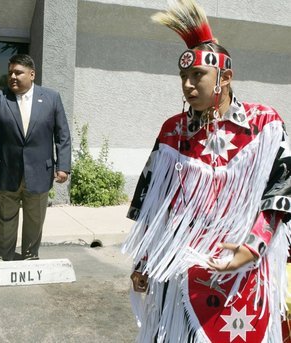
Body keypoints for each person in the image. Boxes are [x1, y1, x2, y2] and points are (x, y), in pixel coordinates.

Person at [121, 1, 291, 341]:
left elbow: (281, 193)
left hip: (243, 268)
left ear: (225, 76)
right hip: (180, 269)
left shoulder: (264, 125)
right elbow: (157, 204)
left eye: (197, 75)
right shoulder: (173, 131)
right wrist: (144, 260)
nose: (187, 84)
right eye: (183, 76)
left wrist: (252, 247)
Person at [0, 54, 71, 261]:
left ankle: (30, 256)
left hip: (39, 171)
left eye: (18, 72)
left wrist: (63, 166)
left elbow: (62, 134)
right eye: (10, 72)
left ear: (32, 74)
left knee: (34, 220)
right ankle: (4, 256)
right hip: (7, 170)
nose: (13, 76)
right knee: (6, 219)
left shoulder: (51, 97)